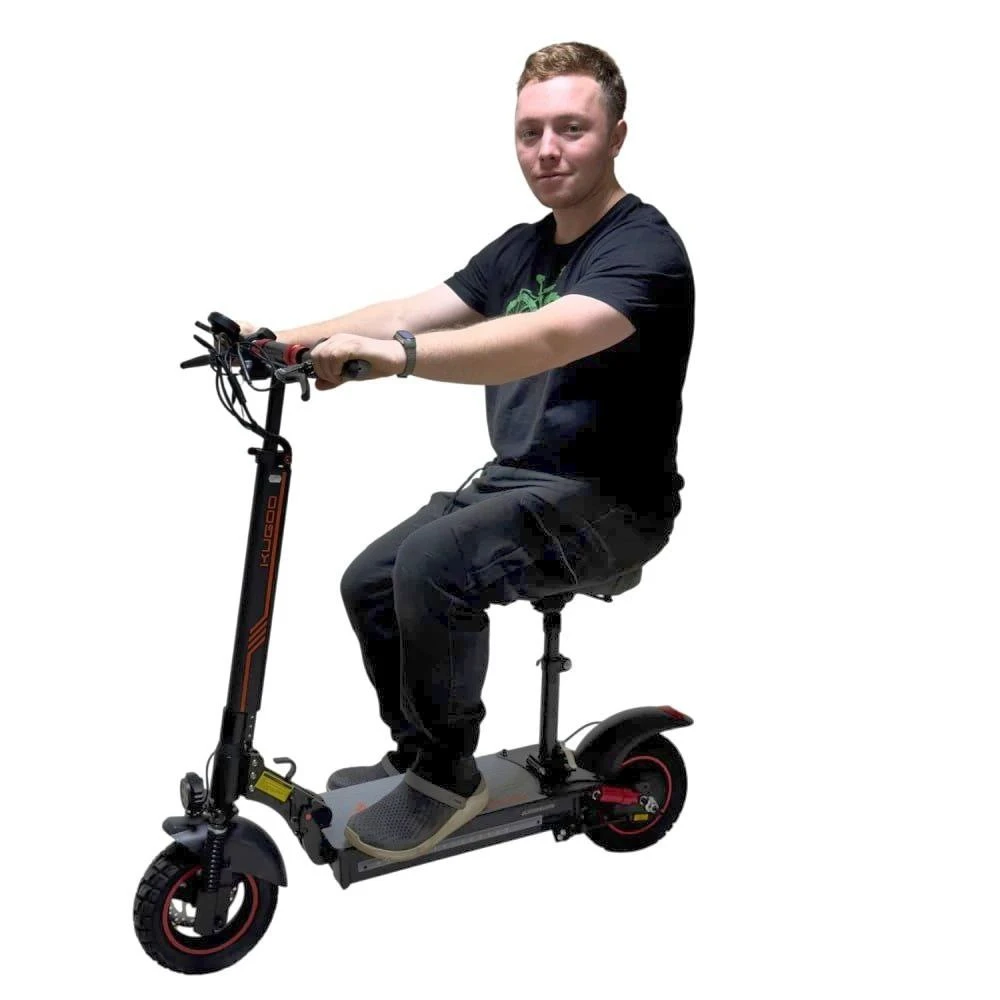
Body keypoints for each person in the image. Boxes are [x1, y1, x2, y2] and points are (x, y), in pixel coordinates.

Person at [260, 41, 695, 863]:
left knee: (435, 565)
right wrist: (282, 337)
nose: (547, 150)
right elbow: (411, 309)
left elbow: (544, 337)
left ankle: (447, 778)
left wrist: (398, 358)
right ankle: (421, 753)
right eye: (530, 132)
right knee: (371, 581)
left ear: (617, 136)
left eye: (571, 129)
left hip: (614, 503)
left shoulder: (645, 250)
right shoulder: (521, 249)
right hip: (519, 485)